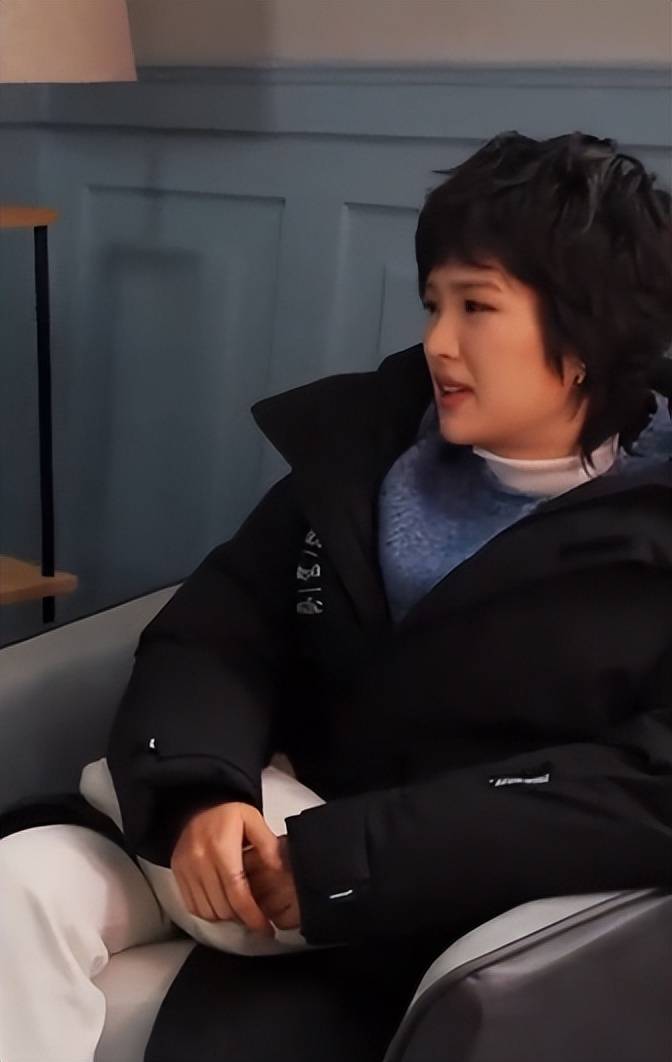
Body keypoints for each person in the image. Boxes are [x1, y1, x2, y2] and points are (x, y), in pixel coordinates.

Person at [1, 129, 672, 1062]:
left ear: (589, 332)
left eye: (477, 306)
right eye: (434, 303)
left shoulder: (651, 538)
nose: (438, 341)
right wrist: (200, 791)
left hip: (403, 913)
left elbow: (641, 790)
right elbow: (219, 629)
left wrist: (343, 859)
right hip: (227, 832)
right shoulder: (368, 450)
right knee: (14, 888)